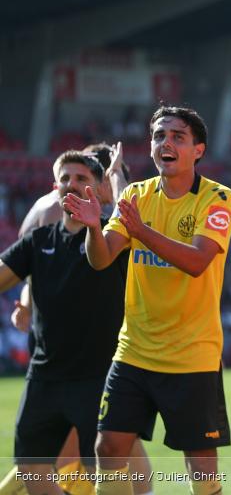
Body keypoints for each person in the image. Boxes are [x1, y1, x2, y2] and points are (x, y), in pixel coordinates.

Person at [64, 106, 231, 495]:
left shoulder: (218, 198)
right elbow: (102, 258)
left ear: (198, 150)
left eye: (178, 136)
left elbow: (196, 262)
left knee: (200, 464)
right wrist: (94, 228)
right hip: (135, 352)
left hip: (192, 354)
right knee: (107, 447)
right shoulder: (135, 195)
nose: (166, 143)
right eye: (160, 136)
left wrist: (140, 230)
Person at [0, 151, 127, 495]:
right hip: (45, 376)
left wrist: (118, 188)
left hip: (100, 376)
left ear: (99, 188)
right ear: (55, 186)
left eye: (82, 178)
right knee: (31, 467)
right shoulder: (38, 241)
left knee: (103, 469)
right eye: (66, 178)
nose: (72, 185)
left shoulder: (116, 239)